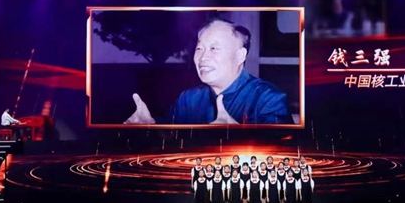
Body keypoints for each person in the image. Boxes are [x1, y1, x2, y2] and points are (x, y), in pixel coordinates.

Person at [124, 18, 293, 125]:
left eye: (214, 48)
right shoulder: (189, 99)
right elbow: (168, 136)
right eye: (199, 49)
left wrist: (239, 137)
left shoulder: (269, 99)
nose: (203, 57)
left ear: (240, 55)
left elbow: (284, 155)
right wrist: (149, 127)